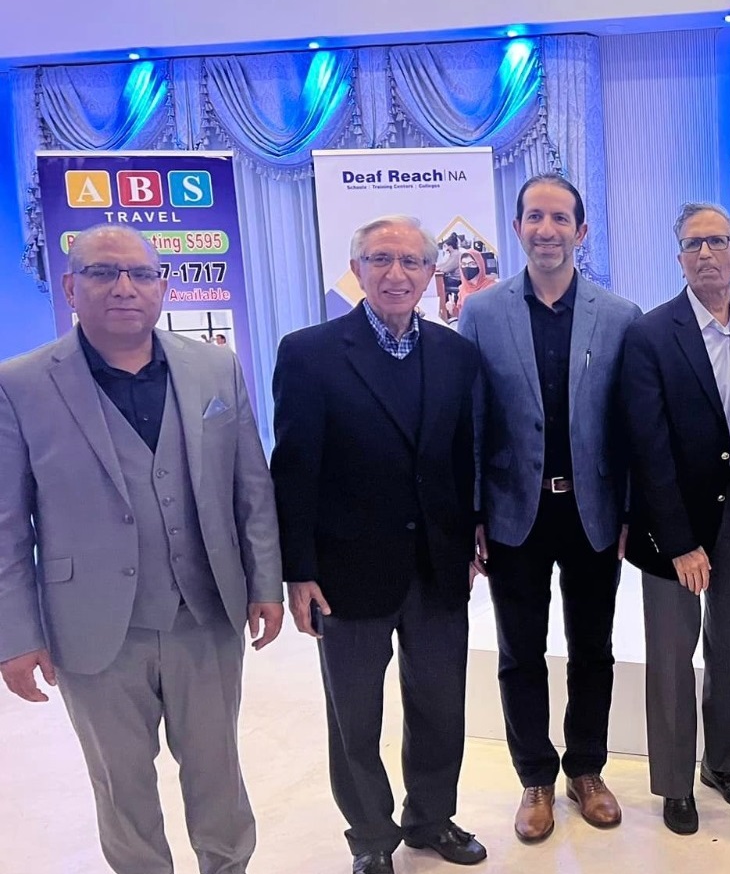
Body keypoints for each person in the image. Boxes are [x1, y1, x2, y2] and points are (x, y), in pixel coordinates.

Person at [0, 224, 284, 874]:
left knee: (217, 771)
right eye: (102, 273)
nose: (123, 287)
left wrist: (265, 582)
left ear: (163, 286)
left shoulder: (213, 366)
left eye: (140, 275)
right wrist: (14, 634)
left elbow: (251, 487)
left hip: (205, 613)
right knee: (121, 785)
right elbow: (7, 525)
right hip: (94, 630)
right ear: (71, 287)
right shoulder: (19, 385)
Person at [271, 215, 487, 874]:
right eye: (380, 259)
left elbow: (461, 455)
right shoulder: (308, 353)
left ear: (430, 273)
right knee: (355, 719)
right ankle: (370, 836)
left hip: (437, 568)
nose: (396, 274)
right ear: (356, 269)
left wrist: (474, 526)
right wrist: (297, 570)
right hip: (347, 571)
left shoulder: (456, 355)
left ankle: (430, 817)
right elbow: (295, 468)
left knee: (440, 706)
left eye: (410, 262)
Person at [457, 174, 641, 842]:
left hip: (592, 512)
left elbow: (631, 423)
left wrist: (630, 510)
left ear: (581, 232)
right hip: (514, 514)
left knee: (593, 648)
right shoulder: (481, 313)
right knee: (519, 652)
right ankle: (535, 775)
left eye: (560, 218)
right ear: (517, 227)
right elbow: (472, 421)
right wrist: (473, 511)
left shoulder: (619, 315)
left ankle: (586, 769)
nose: (547, 229)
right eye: (534, 216)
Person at [621, 203, 730, 836]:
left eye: (717, 242)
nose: (706, 254)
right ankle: (676, 782)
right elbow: (646, 446)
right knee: (673, 653)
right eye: (692, 245)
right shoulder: (652, 333)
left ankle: (725, 763)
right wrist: (679, 542)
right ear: (678, 258)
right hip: (671, 515)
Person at [436, 232, 462, 322]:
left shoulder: (456, 255)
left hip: (456, 280)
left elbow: (447, 268)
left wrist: (438, 268)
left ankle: (445, 312)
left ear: (449, 246)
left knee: (438, 284)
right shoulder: (452, 254)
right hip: (453, 279)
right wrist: (437, 267)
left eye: (445, 246)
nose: (445, 249)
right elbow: (444, 264)